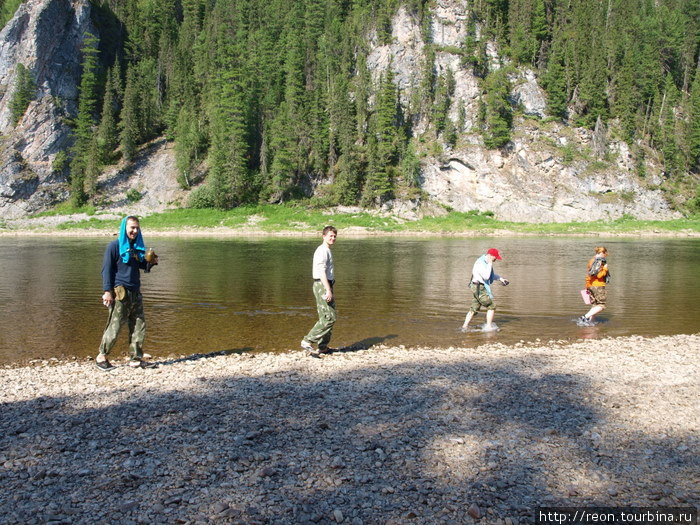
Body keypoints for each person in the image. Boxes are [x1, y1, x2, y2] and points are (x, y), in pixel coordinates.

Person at [96, 216, 158, 370]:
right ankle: (101, 357)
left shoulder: (136, 248)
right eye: (132, 228)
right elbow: (106, 270)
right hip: (120, 292)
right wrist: (107, 292)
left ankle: (135, 358)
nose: (135, 231)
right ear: (124, 228)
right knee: (115, 326)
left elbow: (143, 266)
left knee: (138, 325)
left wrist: (151, 262)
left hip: (135, 292)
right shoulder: (114, 247)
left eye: (137, 228)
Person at [301, 225, 338, 356]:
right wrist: (328, 290)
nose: (333, 238)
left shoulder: (326, 250)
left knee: (326, 316)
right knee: (330, 317)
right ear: (324, 236)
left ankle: (323, 347)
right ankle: (307, 340)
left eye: (334, 236)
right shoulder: (322, 250)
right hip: (322, 285)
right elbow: (321, 271)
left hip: (325, 285)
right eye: (330, 236)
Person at [461, 248, 509, 332]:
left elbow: (491, 275)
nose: (496, 259)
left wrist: (501, 279)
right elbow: (486, 276)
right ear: (490, 256)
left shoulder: (485, 261)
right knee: (491, 306)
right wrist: (490, 263)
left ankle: (464, 327)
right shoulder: (480, 263)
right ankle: (489, 327)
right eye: (495, 257)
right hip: (479, 287)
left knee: (474, 308)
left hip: (478, 287)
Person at [579, 246, 609, 325]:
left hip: (590, 285)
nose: (606, 255)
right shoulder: (600, 261)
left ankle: (591, 324)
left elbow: (589, 274)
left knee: (595, 305)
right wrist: (605, 269)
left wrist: (587, 286)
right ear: (603, 253)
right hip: (598, 285)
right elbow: (599, 276)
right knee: (601, 306)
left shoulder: (591, 260)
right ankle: (585, 317)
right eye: (605, 254)